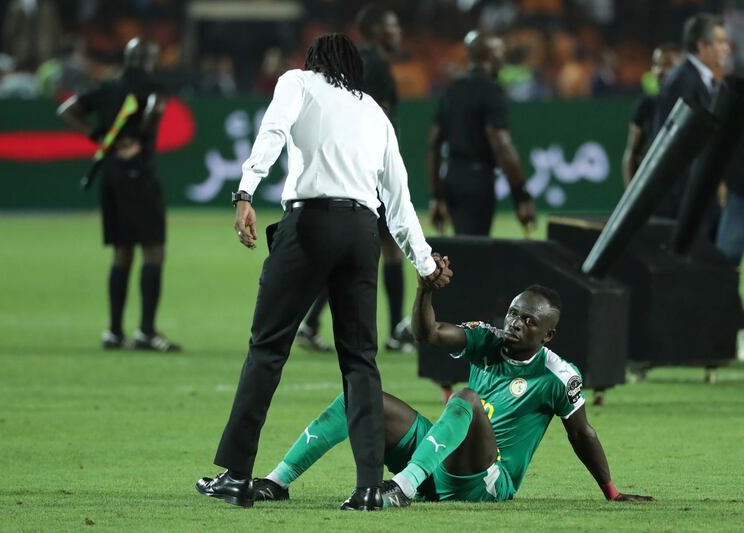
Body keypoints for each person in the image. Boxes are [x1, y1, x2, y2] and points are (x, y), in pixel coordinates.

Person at [195, 33, 452, 511]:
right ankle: (369, 487)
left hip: (310, 224)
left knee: (268, 347)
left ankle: (235, 474)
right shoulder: (375, 112)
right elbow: (399, 199)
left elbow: (272, 131)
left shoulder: (298, 82)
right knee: (360, 361)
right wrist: (424, 261)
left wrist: (246, 191)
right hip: (361, 230)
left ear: (314, 62)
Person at [248, 274, 654, 507]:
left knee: (466, 399)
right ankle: (276, 482)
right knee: (361, 398)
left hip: (486, 480)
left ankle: (401, 489)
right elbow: (427, 333)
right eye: (513, 313)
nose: (515, 323)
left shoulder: (558, 375)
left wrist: (612, 493)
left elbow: (582, 433)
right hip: (438, 460)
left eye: (529, 321)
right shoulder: (486, 339)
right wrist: (425, 290)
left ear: (549, 334)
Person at [296, 5, 414, 353]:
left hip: (355, 168)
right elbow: (376, 120)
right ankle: (394, 332)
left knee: (357, 251)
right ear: (376, 30)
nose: (398, 33)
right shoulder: (375, 67)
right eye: (392, 27)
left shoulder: (356, 66)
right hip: (371, 172)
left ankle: (311, 322)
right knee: (387, 250)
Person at [57, 37, 181, 352]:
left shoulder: (109, 88)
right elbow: (154, 111)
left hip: (111, 176)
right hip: (140, 175)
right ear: (150, 59)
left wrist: (99, 136)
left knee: (121, 252)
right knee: (153, 251)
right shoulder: (154, 87)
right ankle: (146, 332)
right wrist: (141, 136)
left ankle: (114, 331)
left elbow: (68, 109)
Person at [428, 30, 536, 237]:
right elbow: (501, 145)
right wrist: (521, 196)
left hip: (453, 177)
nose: (503, 60)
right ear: (492, 56)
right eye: (501, 54)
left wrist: (436, 196)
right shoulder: (491, 90)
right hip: (478, 181)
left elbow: (434, 144)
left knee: (465, 243)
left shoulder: (452, 90)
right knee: (475, 250)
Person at [653, 14, 730, 219]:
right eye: (720, 42)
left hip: (698, 192)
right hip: (686, 195)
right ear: (702, 46)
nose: (726, 48)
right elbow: (684, 142)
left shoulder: (702, 79)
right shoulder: (683, 81)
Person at [621, 43, 682, 187]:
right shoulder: (647, 104)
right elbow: (632, 153)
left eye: (668, 65)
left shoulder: (694, 102)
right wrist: (632, 198)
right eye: (656, 65)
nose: (660, 71)